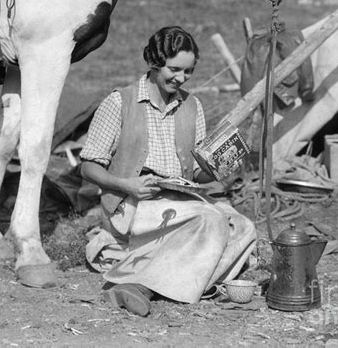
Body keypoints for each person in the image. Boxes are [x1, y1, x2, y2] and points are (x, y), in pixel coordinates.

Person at [80, 26, 256, 317]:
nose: (181, 78)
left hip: (180, 199)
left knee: (243, 228)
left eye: (188, 72)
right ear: (154, 62)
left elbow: (196, 175)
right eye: (174, 69)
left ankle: (152, 281)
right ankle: (149, 284)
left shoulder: (192, 105)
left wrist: (217, 168)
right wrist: (127, 185)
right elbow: (88, 167)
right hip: (134, 202)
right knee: (210, 218)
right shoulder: (119, 102)